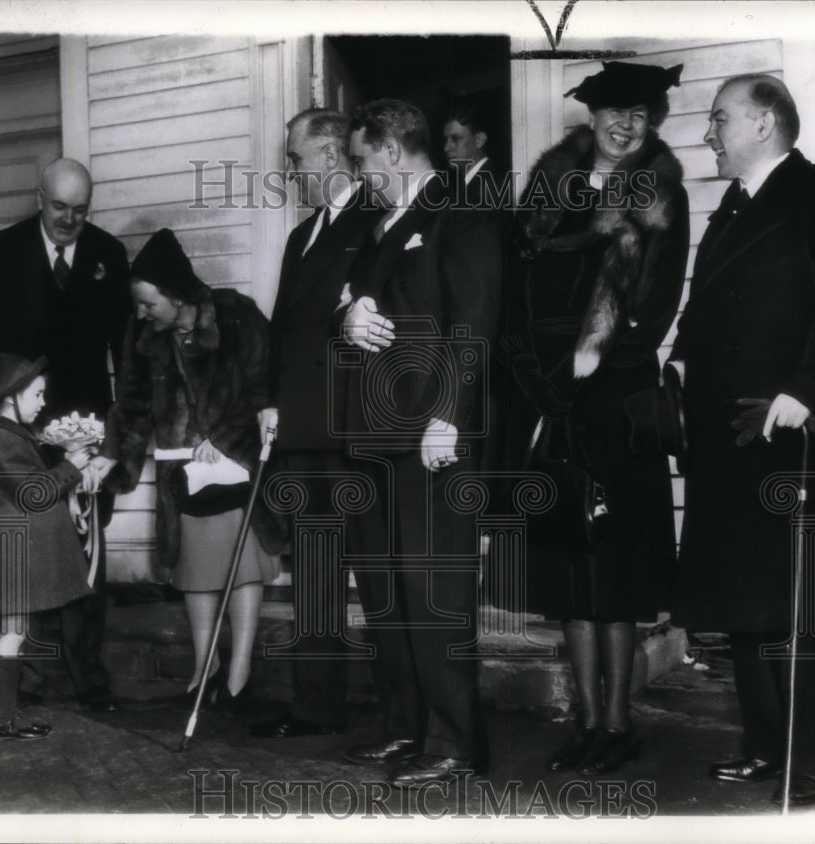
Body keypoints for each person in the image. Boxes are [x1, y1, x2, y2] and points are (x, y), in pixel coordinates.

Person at [669, 74, 815, 806]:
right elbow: (705, 309)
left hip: (796, 434)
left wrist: (809, 389)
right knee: (743, 603)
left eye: (720, 117)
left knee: (800, 608)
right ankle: (764, 746)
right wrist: (679, 355)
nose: (709, 131)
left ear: (764, 123)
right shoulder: (729, 209)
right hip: (727, 440)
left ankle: (810, 760)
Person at [505, 61, 688, 775]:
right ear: (591, 117)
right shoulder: (548, 189)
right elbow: (517, 290)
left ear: (652, 121)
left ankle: (617, 722)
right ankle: (582, 719)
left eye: (640, 114)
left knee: (614, 571)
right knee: (565, 568)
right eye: (613, 111)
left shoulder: (659, 194)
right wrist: (535, 377)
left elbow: (656, 304)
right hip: (548, 402)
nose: (625, 123)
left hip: (615, 404)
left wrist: (591, 372)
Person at [339, 98, 502, 786]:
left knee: (434, 596)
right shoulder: (382, 227)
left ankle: (457, 744)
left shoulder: (461, 213)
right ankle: (404, 728)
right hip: (377, 438)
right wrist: (349, 318)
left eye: (361, 160)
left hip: (431, 437)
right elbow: (361, 311)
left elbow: (476, 321)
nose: (357, 173)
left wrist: (450, 416)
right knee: (388, 596)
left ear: (395, 151)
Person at [86, 229, 287, 711]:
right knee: (195, 571)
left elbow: (266, 387)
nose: (140, 314)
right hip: (184, 475)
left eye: (148, 304)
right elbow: (131, 404)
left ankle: (238, 675)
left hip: (235, 469)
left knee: (242, 570)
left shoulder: (237, 316)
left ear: (176, 296)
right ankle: (205, 668)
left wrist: (225, 441)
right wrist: (111, 455)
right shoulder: (143, 336)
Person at [0, 158, 132, 712]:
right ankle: (28, 680)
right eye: (59, 207)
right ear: (40, 198)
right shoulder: (3, 251)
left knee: (86, 555)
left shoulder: (109, 254)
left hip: (85, 428)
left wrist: (116, 434)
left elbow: (125, 354)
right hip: (24, 428)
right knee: (30, 558)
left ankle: (87, 675)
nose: (69, 219)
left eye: (80, 210)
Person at [249, 108, 383, 739]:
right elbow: (281, 333)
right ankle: (316, 708)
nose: (292, 171)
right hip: (302, 433)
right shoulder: (301, 236)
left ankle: (400, 713)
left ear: (330, 156)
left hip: (354, 431)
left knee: (378, 575)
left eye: (297, 160)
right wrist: (270, 400)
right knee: (317, 578)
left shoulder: (378, 218)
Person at [0, 354, 95, 740]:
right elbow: (33, 494)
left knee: (13, 632)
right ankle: (0, 720)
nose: (42, 403)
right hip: (12, 553)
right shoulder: (3, 438)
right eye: (36, 395)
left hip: (11, 550)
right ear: (11, 397)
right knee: (13, 633)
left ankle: (3, 716)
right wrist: (71, 464)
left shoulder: (10, 434)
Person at [442, 102, 503, 209]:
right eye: (445, 140)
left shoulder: (492, 187)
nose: (446, 148)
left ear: (479, 140)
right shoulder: (460, 185)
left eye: (455, 139)